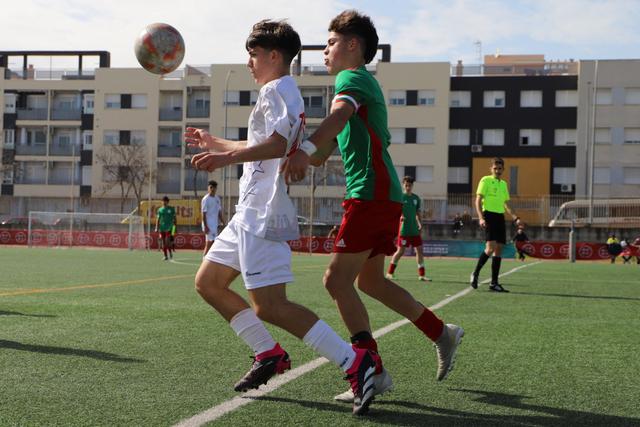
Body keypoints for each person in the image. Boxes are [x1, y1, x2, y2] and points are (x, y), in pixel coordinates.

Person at [184, 20, 377, 416]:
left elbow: (277, 144)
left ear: (274, 55)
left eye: (253, 55)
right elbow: (263, 143)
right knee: (208, 282)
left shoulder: (279, 89)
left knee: (271, 305)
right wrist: (216, 143)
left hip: (264, 211)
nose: (249, 62)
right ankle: (268, 352)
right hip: (247, 212)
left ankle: (355, 362)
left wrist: (225, 158)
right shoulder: (276, 91)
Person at [282, 10, 463, 404]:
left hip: (372, 193)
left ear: (352, 45)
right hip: (378, 194)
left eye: (330, 43)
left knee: (335, 281)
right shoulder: (356, 85)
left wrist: (306, 148)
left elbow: (337, 117)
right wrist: (293, 148)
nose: (325, 51)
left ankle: (373, 371)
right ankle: (441, 332)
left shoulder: (352, 78)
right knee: (370, 282)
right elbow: (323, 151)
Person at [470, 157, 521, 292]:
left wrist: (515, 218)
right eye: (495, 168)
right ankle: (475, 273)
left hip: (500, 217)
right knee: (490, 248)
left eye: (500, 168)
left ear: (503, 169)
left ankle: (494, 283)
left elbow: (506, 203)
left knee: (499, 249)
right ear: (491, 169)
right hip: (488, 216)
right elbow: (478, 200)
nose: (497, 170)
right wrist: (481, 218)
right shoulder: (485, 180)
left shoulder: (503, 184)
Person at [386, 176, 430, 281]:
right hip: (404, 230)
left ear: (412, 186)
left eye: (409, 185)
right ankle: (389, 273)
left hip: (414, 230)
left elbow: (417, 212)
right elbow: (395, 211)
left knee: (419, 251)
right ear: (403, 185)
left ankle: (422, 275)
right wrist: (400, 217)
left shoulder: (416, 198)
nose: (408, 187)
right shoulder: (400, 197)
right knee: (400, 251)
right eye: (406, 185)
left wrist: (419, 223)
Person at [201, 180, 225, 257]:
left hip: (214, 225)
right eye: (211, 187)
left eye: (214, 187)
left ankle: (210, 260)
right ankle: (204, 261)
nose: (212, 189)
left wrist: (223, 222)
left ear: (216, 188)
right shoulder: (206, 199)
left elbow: (219, 212)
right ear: (208, 188)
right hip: (208, 225)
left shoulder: (217, 199)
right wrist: (205, 226)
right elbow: (203, 213)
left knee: (214, 245)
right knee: (208, 244)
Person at [155, 196, 177, 260]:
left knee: (167, 242)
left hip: (169, 228)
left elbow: (175, 219)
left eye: (165, 201)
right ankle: (165, 256)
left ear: (167, 202)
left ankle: (169, 252)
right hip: (162, 228)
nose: (164, 202)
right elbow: (158, 219)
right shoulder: (160, 210)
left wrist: (175, 228)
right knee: (163, 243)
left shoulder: (171, 209)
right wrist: (156, 227)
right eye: (163, 201)